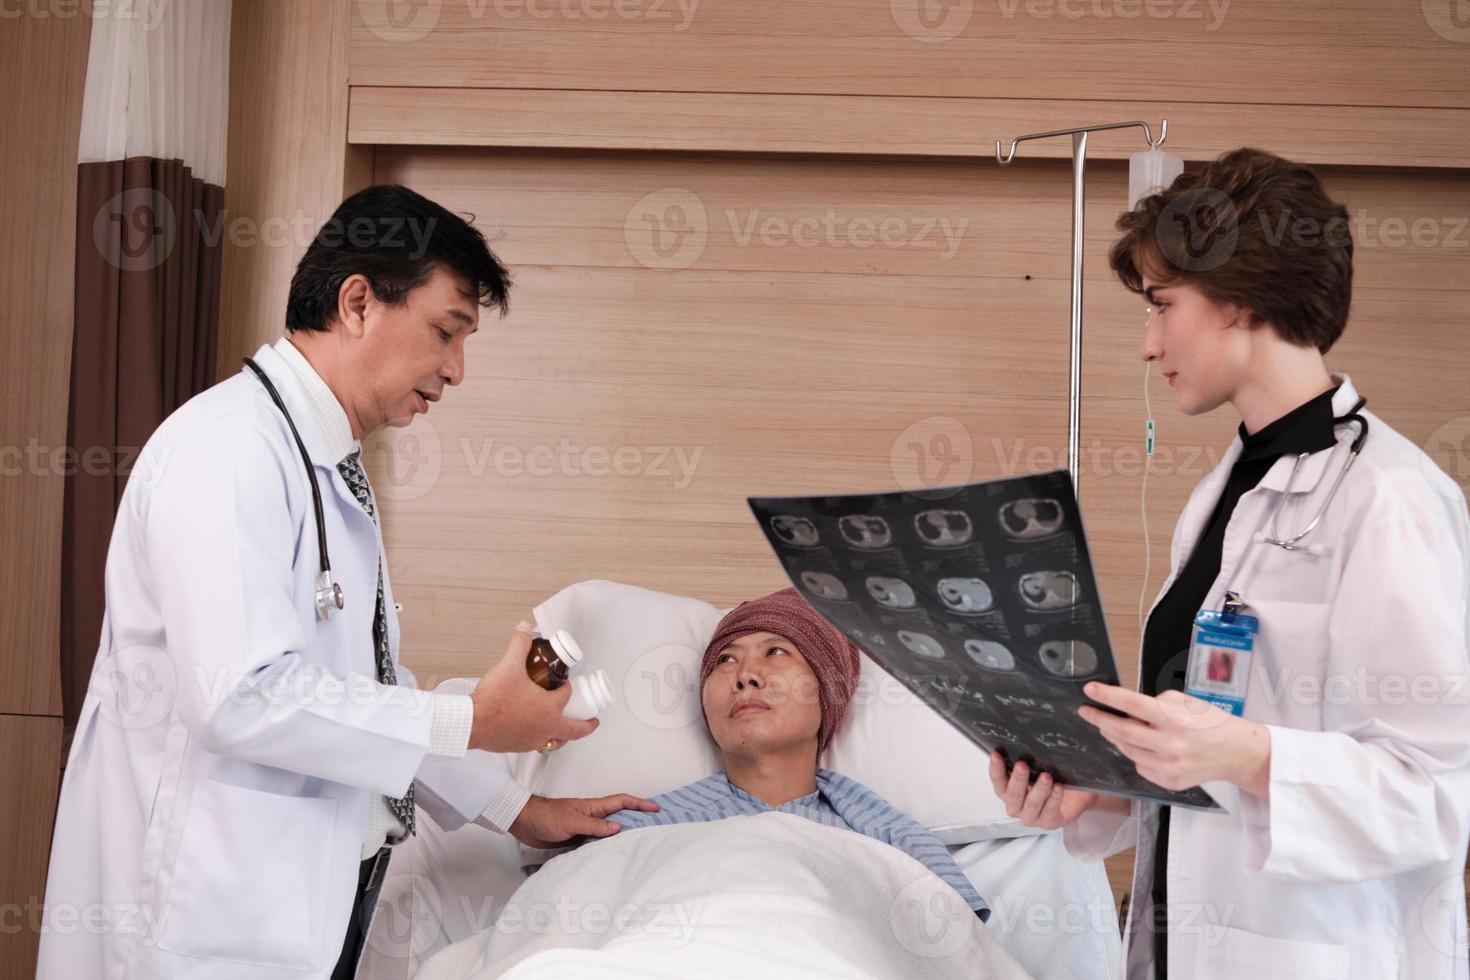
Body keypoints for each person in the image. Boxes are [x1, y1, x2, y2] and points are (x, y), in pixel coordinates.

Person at [37, 185, 657, 980]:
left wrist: (516, 810)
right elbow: (239, 695)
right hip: (198, 916)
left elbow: (366, 684)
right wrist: (470, 720)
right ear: (358, 302)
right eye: (445, 332)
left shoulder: (324, 461)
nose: (457, 371)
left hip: (300, 908)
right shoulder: (230, 450)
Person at [988, 148, 1470, 978]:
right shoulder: (1229, 491)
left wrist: (1247, 755)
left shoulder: (1387, 498)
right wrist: (1100, 791)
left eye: (1162, 305)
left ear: (1241, 297)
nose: (1148, 344)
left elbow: (1434, 797)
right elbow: (1210, 745)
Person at [597, 588, 990, 922]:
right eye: (725, 659)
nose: (746, 674)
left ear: (826, 693)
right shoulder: (634, 831)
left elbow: (960, 953)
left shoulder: (897, 844)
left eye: (777, 652)